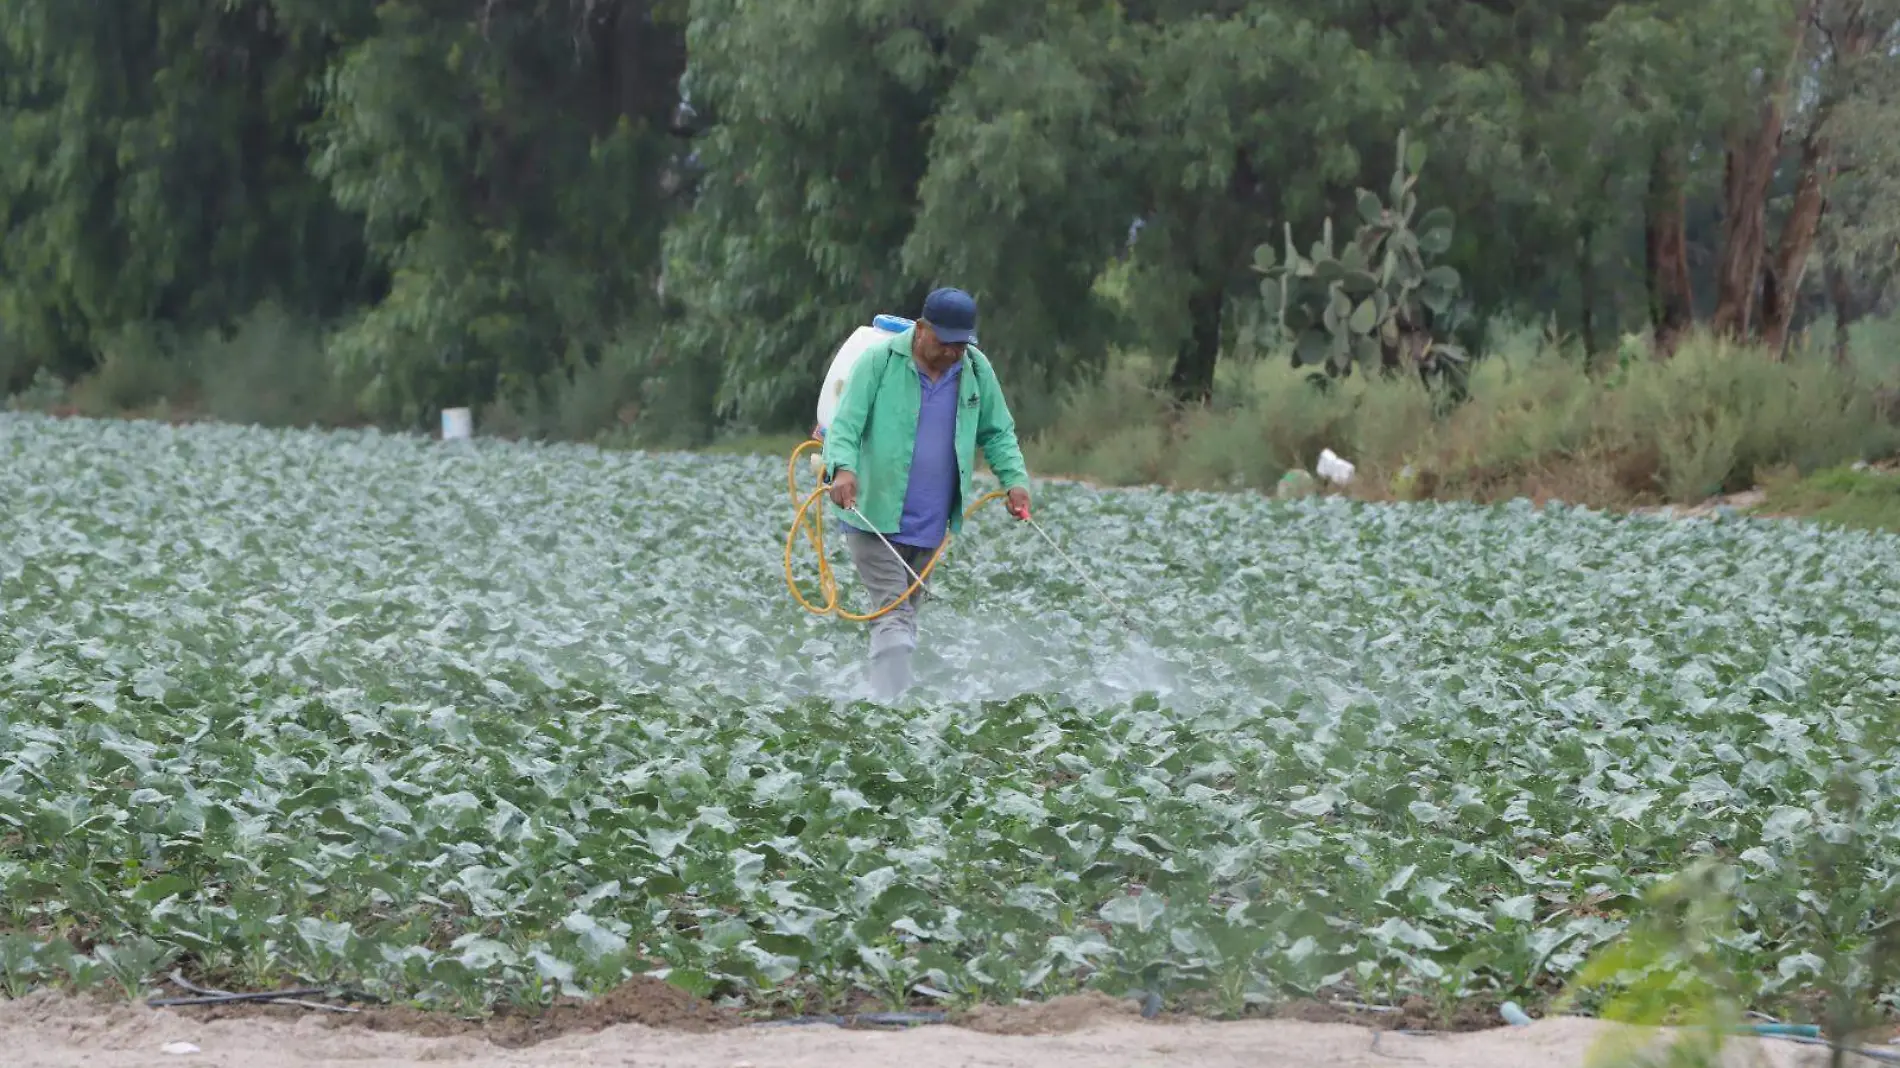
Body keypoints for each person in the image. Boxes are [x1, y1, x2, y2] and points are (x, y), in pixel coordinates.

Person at [821, 287, 1032, 701]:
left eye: (961, 344)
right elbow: (845, 425)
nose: (954, 352)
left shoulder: (975, 369)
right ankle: (892, 708)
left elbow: (998, 432)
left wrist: (1015, 480)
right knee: (894, 621)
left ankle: (876, 699)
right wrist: (842, 469)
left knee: (901, 623)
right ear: (921, 330)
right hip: (872, 516)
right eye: (945, 343)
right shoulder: (879, 363)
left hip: (932, 525)